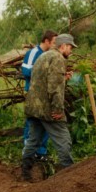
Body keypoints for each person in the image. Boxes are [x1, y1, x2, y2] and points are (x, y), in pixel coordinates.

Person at [21, 33, 77, 181]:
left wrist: (63, 78)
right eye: (70, 47)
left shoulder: (44, 56)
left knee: (33, 140)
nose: (71, 51)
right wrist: (57, 110)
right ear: (63, 46)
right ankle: (70, 175)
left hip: (33, 107)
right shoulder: (58, 59)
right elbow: (54, 88)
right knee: (63, 139)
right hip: (47, 109)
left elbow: (42, 80)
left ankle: (25, 172)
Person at [21, 30, 58, 159]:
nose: (55, 45)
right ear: (46, 41)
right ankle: (28, 151)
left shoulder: (50, 55)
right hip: (33, 94)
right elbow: (25, 71)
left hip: (45, 94)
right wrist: (44, 71)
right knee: (32, 122)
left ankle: (41, 152)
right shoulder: (33, 53)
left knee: (46, 122)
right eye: (54, 42)